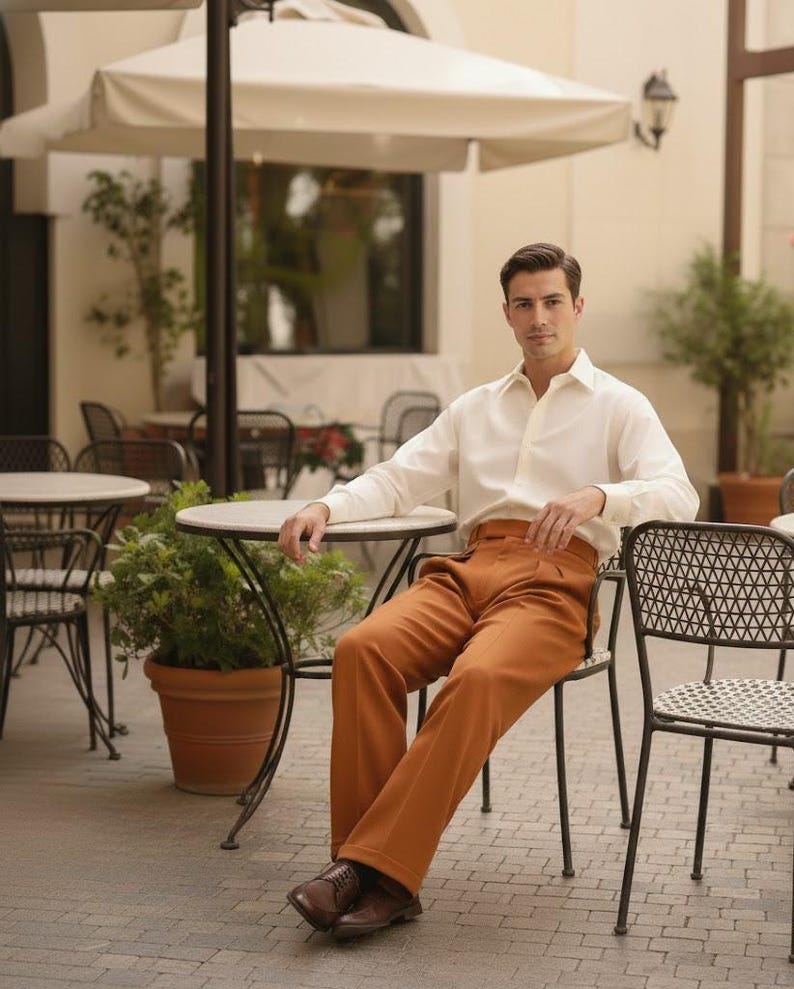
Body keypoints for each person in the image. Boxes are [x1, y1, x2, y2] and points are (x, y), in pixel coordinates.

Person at [278, 242, 699, 940]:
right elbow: (398, 476)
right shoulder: (476, 407)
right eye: (525, 304)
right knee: (362, 649)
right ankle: (377, 872)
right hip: (467, 570)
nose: (540, 317)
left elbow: (677, 494)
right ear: (506, 313)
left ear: (577, 307)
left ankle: (368, 872)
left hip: (554, 583)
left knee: (473, 679)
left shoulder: (621, 405)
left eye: (553, 301)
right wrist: (329, 506)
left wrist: (603, 495)